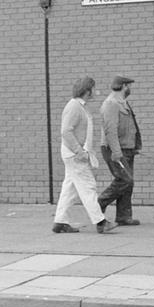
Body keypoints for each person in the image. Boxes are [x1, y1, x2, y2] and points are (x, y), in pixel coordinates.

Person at [52, 77, 116, 234]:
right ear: (87, 90)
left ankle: (60, 222)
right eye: (94, 88)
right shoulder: (74, 107)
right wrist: (79, 151)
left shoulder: (80, 106)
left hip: (73, 154)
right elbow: (66, 131)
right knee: (88, 187)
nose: (95, 91)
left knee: (70, 189)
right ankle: (100, 222)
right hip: (75, 155)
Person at [98, 74, 143, 226]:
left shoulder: (122, 102)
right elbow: (110, 130)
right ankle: (99, 204)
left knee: (128, 183)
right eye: (129, 85)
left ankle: (123, 216)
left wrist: (134, 146)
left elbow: (130, 126)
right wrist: (116, 152)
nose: (131, 88)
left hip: (127, 148)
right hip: (114, 149)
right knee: (125, 179)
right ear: (124, 86)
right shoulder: (111, 103)